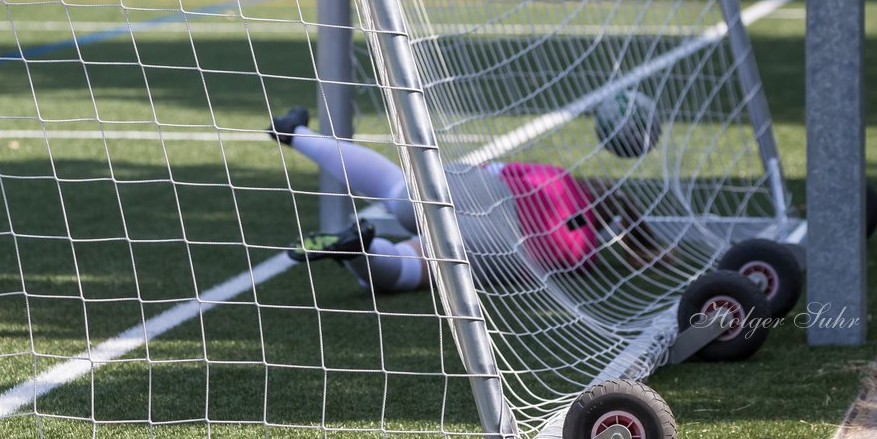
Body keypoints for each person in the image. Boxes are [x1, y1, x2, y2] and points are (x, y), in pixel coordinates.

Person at [269, 107, 663, 292]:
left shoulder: (556, 178)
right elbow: (558, 268)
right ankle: (359, 253)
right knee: (416, 263)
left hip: (486, 193)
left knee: (394, 187)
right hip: (510, 250)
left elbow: (496, 171)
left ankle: (294, 133)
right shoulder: (583, 253)